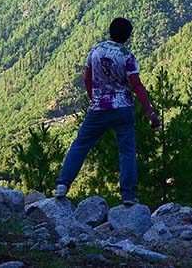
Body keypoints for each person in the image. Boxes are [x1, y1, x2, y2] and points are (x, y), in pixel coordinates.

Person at [55, 17, 160, 205]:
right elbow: (136, 84)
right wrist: (150, 112)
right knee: (126, 151)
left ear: (110, 31)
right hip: (123, 107)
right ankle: (128, 195)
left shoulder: (95, 51)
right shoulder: (126, 56)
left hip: (99, 107)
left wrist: (94, 98)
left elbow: (87, 78)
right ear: (127, 37)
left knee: (81, 144)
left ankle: (63, 184)